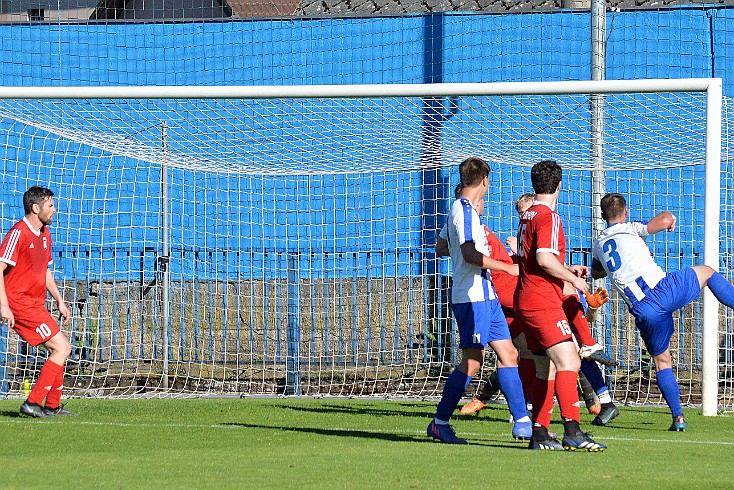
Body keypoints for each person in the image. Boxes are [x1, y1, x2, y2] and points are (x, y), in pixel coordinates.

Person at [461, 193, 619, 425]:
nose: (524, 216)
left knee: (530, 354)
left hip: (521, 296)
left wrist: (569, 272)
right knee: (558, 352)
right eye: (522, 214)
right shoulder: (500, 232)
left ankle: (539, 414)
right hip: (516, 297)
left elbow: (542, 264)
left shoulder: (531, 228)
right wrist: (512, 264)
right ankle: (568, 416)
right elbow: (538, 264)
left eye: (526, 211)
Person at [591, 193, 734, 431]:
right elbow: (665, 219)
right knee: (708, 272)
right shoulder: (631, 228)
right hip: (664, 290)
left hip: (644, 309)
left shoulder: (598, 245)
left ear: (603, 216)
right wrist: (671, 221)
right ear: (625, 212)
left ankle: (678, 418)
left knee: (662, 362)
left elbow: (596, 273)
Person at [427, 157, 532, 444]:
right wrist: (507, 266)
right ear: (484, 180)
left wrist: (464, 256)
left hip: (486, 295)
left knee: (509, 354)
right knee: (473, 362)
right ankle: (440, 422)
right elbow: (470, 254)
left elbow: (440, 247)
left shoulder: (459, 211)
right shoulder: (465, 212)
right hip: (472, 298)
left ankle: (523, 422)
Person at [515, 160, 606, 451]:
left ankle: (539, 433)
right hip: (542, 300)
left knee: (546, 368)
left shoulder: (527, 215)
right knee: (570, 360)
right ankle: (573, 430)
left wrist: (566, 269)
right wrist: (574, 280)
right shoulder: (549, 217)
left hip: (526, 297)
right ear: (559, 185)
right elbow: (543, 259)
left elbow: (537, 260)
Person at [0, 186, 74, 417]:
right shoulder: (18, 233)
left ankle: (52, 406)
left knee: (60, 348)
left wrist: (60, 300)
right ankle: (32, 403)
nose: (54, 210)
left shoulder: (44, 233)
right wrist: (4, 306)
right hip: (19, 303)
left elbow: (44, 272)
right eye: (50, 205)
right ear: (35, 208)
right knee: (62, 347)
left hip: (34, 304)